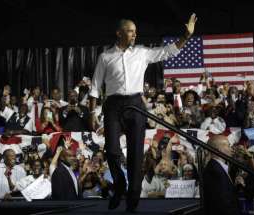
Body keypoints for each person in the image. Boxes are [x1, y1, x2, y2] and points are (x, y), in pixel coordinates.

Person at [88, 13, 197, 212]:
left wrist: (186, 36)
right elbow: (95, 86)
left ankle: (132, 201)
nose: (134, 35)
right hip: (112, 105)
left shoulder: (142, 52)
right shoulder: (105, 56)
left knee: (136, 155)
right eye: (130, 31)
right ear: (119, 33)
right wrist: (92, 113)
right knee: (112, 150)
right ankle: (120, 185)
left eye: (135, 32)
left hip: (136, 104)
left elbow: (168, 52)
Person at [203, 135, 241, 215]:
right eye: (228, 145)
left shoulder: (218, 167)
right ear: (218, 149)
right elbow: (222, 203)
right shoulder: (214, 170)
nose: (231, 149)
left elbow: (226, 194)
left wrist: (235, 186)